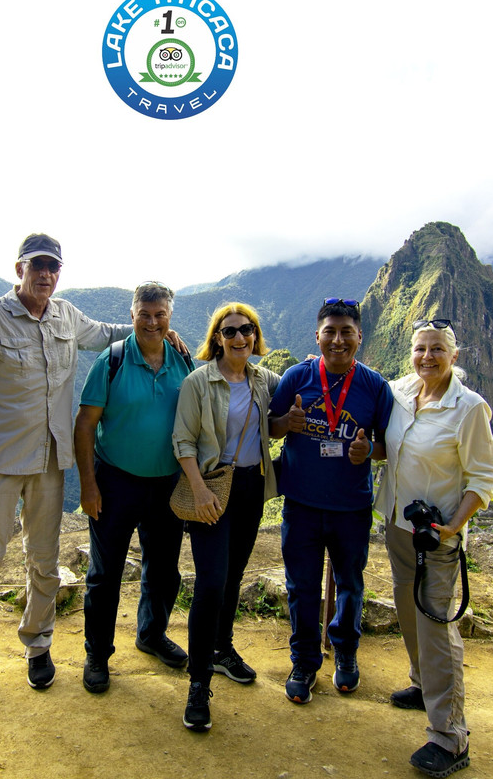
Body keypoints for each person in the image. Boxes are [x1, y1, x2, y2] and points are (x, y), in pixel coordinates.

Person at [0, 233, 143, 702]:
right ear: (18, 268)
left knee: (44, 563)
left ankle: (38, 646)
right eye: (37, 265)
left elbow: (107, 335)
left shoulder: (65, 315)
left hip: (50, 462)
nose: (46, 274)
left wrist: (153, 329)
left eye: (53, 267)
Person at [373, 319, 493, 778]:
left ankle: (449, 737)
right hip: (397, 525)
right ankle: (423, 684)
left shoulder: (468, 409)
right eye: (421, 349)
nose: (428, 357)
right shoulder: (403, 391)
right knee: (408, 610)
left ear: (454, 355)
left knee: (436, 625)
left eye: (438, 350)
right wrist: (317, 365)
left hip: (436, 538)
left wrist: (453, 527)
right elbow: (378, 417)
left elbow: (484, 477)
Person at [268, 298, 393, 704]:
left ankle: (346, 653)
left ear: (359, 337)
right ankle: (304, 660)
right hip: (301, 505)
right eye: (330, 332)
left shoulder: (374, 386)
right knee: (302, 587)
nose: (337, 340)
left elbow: (388, 445)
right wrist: (287, 424)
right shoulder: (297, 376)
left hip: (351, 508)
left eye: (346, 332)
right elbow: (269, 425)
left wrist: (366, 450)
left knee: (351, 586)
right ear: (317, 336)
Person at [74, 281, 194, 693]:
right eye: (145, 313)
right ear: (132, 315)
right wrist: (88, 486)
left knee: (163, 570)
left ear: (170, 317)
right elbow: (85, 425)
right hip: (115, 481)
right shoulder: (112, 360)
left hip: (166, 484)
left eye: (160, 314)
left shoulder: (182, 360)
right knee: (105, 574)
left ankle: (151, 634)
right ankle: (97, 654)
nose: (152, 321)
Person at [171, 303, 280, 732]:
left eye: (247, 330)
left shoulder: (262, 379)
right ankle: (198, 683)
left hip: (251, 488)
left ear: (255, 335)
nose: (240, 338)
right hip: (212, 487)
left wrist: (317, 364)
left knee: (233, 577)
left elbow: (286, 404)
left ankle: (223, 649)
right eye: (230, 331)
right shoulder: (199, 382)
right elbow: (183, 439)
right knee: (212, 582)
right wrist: (198, 490)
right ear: (217, 337)